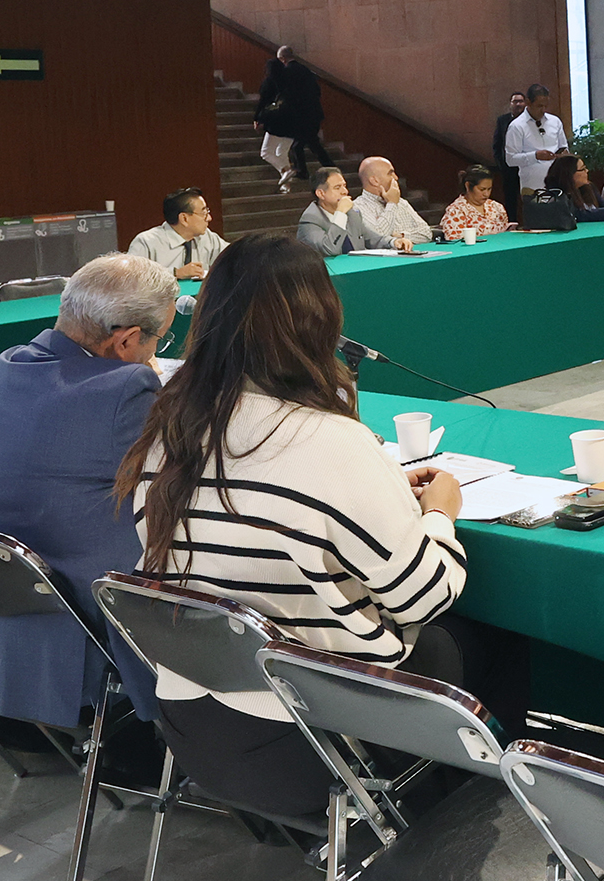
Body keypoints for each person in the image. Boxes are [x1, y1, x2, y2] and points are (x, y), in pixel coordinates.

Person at [119, 234, 504, 819]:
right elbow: (423, 596)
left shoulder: (167, 428)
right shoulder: (329, 440)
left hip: (195, 724)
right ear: (320, 319)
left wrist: (374, 496)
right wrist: (438, 512)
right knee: (488, 646)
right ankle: (464, 835)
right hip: (316, 731)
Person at [0, 253, 175, 724]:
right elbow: (179, 478)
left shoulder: (5, 367)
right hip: (77, 622)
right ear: (126, 340)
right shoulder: (129, 386)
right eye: (158, 339)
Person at [255, 45, 328, 189]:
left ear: (282, 59)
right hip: (301, 116)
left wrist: (258, 118)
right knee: (292, 148)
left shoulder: (280, 78)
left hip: (282, 119)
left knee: (268, 151)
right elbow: (316, 90)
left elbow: (264, 101)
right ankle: (288, 182)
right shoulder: (304, 70)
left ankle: (288, 171)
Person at [296, 166, 408, 256]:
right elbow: (329, 249)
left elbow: (372, 238)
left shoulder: (352, 213)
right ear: (321, 193)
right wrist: (340, 213)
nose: (345, 191)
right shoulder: (310, 220)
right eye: (337, 187)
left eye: (344, 186)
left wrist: (394, 242)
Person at [127, 187, 226, 281]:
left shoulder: (207, 237)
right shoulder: (146, 242)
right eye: (203, 213)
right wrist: (175, 273)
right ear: (184, 219)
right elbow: (129, 277)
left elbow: (231, 256)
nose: (209, 218)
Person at [505, 84, 568, 198]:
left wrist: (563, 154)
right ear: (528, 102)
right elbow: (510, 159)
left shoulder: (555, 121)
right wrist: (535, 156)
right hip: (533, 187)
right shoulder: (516, 126)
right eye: (539, 106)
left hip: (558, 184)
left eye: (545, 106)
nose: (543, 110)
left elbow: (563, 147)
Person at [354, 156, 431, 245]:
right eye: (390, 173)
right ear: (374, 181)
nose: (396, 177)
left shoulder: (401, 203)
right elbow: (379, 239)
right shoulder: (357, 208)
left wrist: (401, 236)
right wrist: (392, 204)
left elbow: (427, 233)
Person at [440, 165, 512, 237]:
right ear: (468, 186)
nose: (486, 194)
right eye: (482, 189)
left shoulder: (497, 208)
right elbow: (454, 240)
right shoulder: (456, 211)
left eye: (489, 189)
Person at [538, 154, 604, 221]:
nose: (587, 171)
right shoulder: (557, 194)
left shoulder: (589, 187)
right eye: (583, 169)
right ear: (569, 174)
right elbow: (575, 214)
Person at [489, 90, 525, 219]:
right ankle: (512, 223)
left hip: (527, 166)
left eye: (521, 101)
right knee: (510, 198)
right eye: (515, 101)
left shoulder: (530, 121)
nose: (518, 104)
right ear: (510, 104)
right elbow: (497, 144)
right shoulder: (503, 120)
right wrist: (501, 164)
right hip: (508, 168)